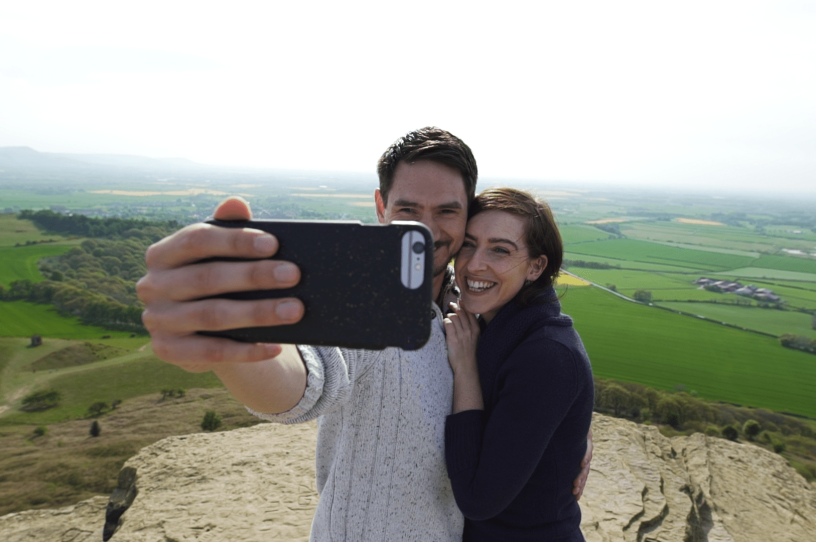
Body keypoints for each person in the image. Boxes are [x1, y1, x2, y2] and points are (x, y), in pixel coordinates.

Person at [137, 128, 591, 542]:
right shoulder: (363, 308)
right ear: (380, 207)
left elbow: (531, 385)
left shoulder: (466, 312)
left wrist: (567, 442)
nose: (427, 229)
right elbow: (307, 378)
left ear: (467, 214)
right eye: (408, 210)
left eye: (447, 212)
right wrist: (233, 346)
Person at [443, 188, 594, 541]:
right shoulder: (491, 321)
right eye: (468, 244)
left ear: (536, 266)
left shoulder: (546, 355)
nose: (474, 264)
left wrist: (465, 367)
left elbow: (479, 500)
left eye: (500, 250)